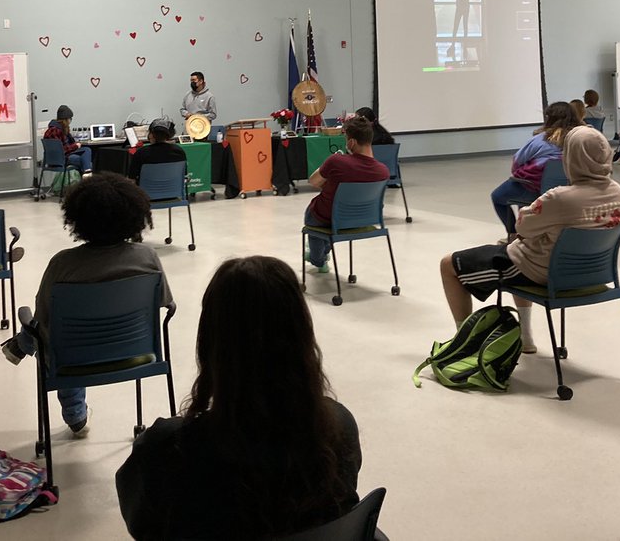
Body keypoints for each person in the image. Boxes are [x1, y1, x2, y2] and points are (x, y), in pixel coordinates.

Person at [115, 256, 363, 540]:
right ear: (302, 337)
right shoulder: (338, 429)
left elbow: (143, 525)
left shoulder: (167, 449)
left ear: (210, 342)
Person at [441, 126, 620, 354]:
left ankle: (463, 343)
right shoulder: (617, 191)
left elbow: (522, 226)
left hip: (544, 273)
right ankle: (525, 337)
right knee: (519, 253)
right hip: (594, 275)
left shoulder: (560, 197)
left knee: (449, 264)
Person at [33, 173, 173, 438]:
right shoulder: (147, 257)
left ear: (76, 219)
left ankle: (75, 413)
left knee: (41, 335)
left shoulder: (62, 264)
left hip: (72, 361)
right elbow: (166, 303)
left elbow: (42, 319)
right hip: (137, 353)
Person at [304, 114, 388, 273]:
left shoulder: (336, 161)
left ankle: (318, 259)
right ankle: (322, 253)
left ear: (352, 142)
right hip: (362, 220)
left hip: (326, 218)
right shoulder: (383, 171)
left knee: (312, 217)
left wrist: (327, 167)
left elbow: (314, 181)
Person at [489, 101, 581, 237]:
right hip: (568, 190)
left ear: (549, 118)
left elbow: (517, 162)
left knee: (497, 196)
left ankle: (513, 234)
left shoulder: (540, 140)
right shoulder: (579, 139)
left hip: (533, 188)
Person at [130, 116, 186, 185]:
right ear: (169, 136)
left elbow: (131, 178)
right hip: (173, 192)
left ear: (151, 135)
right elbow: (184, 175)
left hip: (146, 194)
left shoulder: (141, 153)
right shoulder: (179, 151)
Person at [43, 104, 91, 174]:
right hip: (61, 159)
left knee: (87, 150)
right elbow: (61, 150)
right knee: (87, 162)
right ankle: (87, 175)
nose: (70, 121)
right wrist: (76, 146)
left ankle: (87, 173)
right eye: (70, 119)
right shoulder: (56, 130)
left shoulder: (53, 129)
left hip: (57, 158)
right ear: (65, 119)